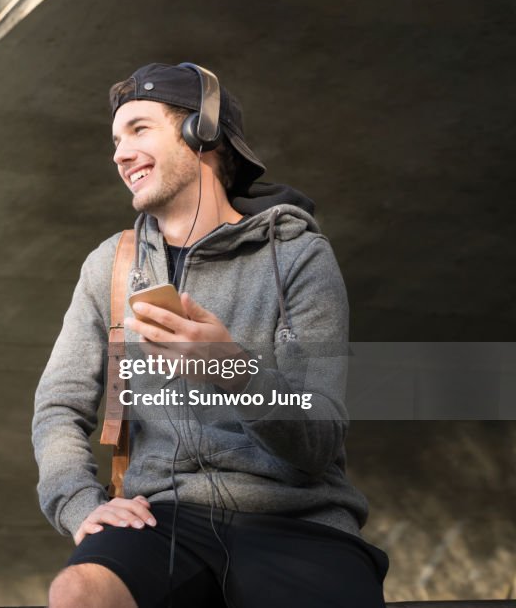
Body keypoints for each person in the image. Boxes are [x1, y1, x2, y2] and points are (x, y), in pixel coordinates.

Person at [31, 62, 389, 607]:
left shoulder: (298, 255)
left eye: (139, 130)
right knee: (79, 592)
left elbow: (318, 438)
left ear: (203, 133)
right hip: (163, 517)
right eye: (115, 139)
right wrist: (79, 504)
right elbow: (59, 404)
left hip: (299, 522)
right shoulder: (110, 265)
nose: (119, 154)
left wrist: (228, 364)